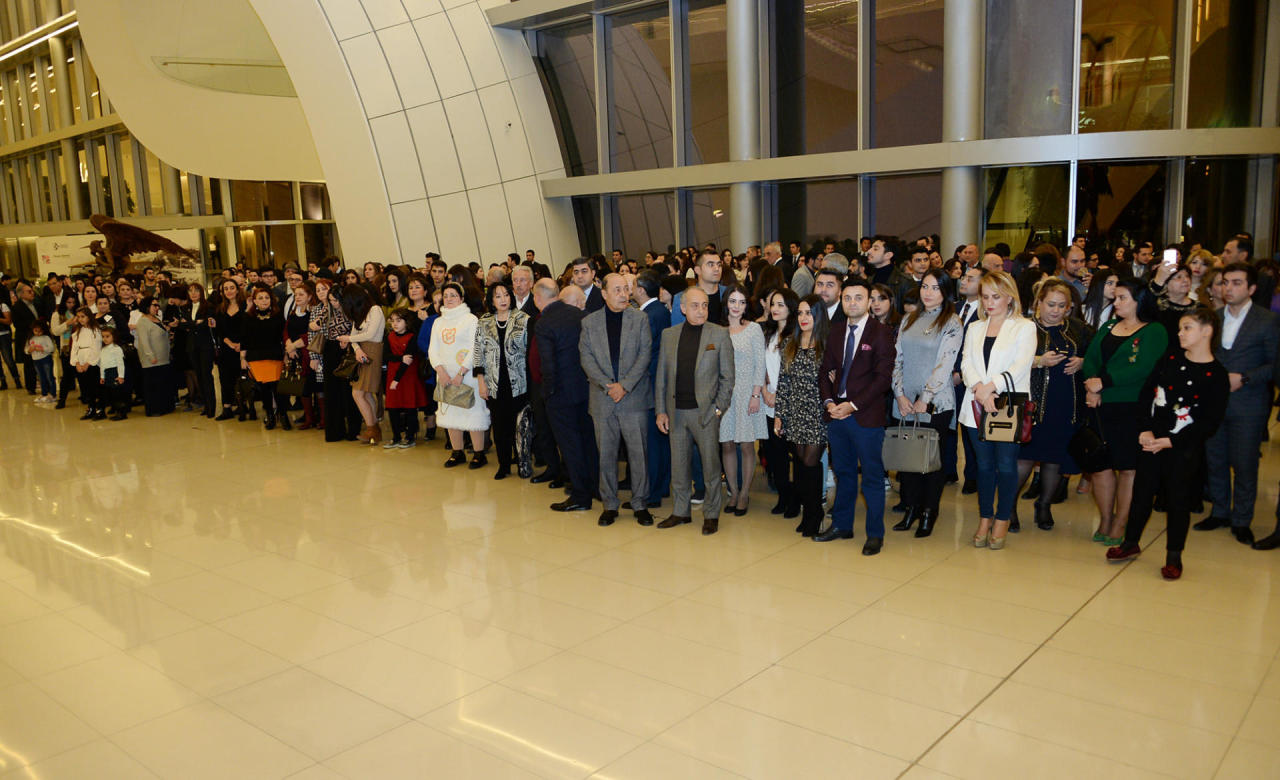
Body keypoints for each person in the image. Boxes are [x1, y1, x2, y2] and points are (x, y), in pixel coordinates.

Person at [1105, 309, 1229, 578]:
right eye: (1181, 328)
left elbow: (1209, 422)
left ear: (1206, 331)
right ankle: (1130, 542)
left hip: (1182, 448)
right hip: (1152, 441)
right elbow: (1147, 394)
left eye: (1187, 328)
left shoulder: (1217, 375)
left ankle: (1174, 555)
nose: (1180, 333)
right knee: (1142, 494)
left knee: (1178, 501)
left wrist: (1172, 441)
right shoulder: (1170, 358)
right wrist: (1145, 429)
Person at [1193, 262, 1279, 546]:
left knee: (1244, 463)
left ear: (1251, 288)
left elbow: (1274, 364)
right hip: (1215, 402)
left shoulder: (1266, 320)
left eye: (1237, 283)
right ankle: (1220, 511)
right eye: (1225, 282)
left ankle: (1242, 519)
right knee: (1215, 458)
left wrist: (1245, 377)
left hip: (1249, 402)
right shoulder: (1214, 317)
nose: (1228, 288)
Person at [1082, 278, 1168, 545]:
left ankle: (1121, 521)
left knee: (1128, 468)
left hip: (1131, 407)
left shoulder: (1154, 331)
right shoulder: (1108, 325)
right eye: (1115, 298)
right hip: (1099, 405)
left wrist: (1104, 383)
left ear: (1139, 301)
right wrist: (1092, 387)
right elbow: (1091, 359)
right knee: (1101, 466)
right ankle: (1106, 518)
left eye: (1122, 298)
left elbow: (1143, 367)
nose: (1115, 303)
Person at [816, 279, 897, 555]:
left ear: (869, 301)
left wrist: (852, 405)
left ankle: (875, 534)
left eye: (858, 298)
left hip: (865, 417)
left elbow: (882, 380)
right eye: (848, 298)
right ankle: (842, 525)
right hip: (836, 416)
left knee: (872, 477)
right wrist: (829, 402)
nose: (852, 303)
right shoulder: (836, 331)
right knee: (843, 474)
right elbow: (825, 370)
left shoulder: (881, 333)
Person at [959, 271, 1036, 550]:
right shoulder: (976, 327)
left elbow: (1020, 365)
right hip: (975, 407)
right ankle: (984, 517)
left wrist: (991, 388)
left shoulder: (1024, 327)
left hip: (1008, 406)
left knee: (1005, 466)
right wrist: (980, 388)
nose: (989, 303)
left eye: (996, 297)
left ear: (1009, 297)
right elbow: (966, 363)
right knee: (983, 467)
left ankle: (1003, 517)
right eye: (985, 297)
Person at [654, 287, 735, 535]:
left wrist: (718, 410)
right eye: (695, 305)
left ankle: (711, 514)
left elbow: (728, 378)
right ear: (683, 307)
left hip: (705, 413)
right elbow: (661, 378)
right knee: (679, 467)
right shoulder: (669, 335)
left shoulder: (719, 334)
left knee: (711, 468)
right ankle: (681, 511)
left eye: (704, 306)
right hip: (676, 412)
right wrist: (661, 411)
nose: (701, 310)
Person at [890, 270, 963, 538]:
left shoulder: (952, 321)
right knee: (908, 458)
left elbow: (945, 364)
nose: (928, 292)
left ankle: (929, 512)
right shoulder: (909, 318)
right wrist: (899, 394)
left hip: (935, 403)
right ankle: (910, 508)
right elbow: (897, 358)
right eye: (925, 286)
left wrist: (925, 398)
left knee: (932, 460)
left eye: (935, 288)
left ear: (945, 292)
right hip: (905, 401)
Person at [1017, 279, 1093, 530]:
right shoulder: (1024, 328)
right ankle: (1008, 506)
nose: (1056, 310)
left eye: (1062, 306)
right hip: (1033, 405)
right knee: (1025, 458)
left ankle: (1045, 505)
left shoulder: (1079, 329)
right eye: (1051, 304)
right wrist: (1039, 360)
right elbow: (1007, 362)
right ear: (1039, 303)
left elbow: (1096, 355)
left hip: (1066, 404)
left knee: (1055, 459)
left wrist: (1082, 362)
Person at [579, 273, 653, 525]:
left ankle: (640, 502)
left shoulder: (640, 319)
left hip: (634, 399)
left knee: (638, 454)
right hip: (602, 398)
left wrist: (625, 386)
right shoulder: (590, 322)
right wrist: (608, 386)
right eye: (618, 290)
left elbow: (645, 354)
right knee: (606, 455)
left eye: (626, 289)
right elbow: (586, 358)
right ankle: (609, 504)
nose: (624, 294)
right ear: (605, 293)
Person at [535, 282, 598, 510]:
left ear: (538, 298)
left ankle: (580, 496)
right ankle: (594, 486)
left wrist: (547, 393)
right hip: (586, 388)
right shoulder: (581, 314)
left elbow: (548, 365)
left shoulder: (544, 324)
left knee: (570, 446)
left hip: (561, 394)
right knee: (589, 441)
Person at [773, 294, 829, 535]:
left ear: (819, 316)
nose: (804, 318)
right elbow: (783, 382)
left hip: (818, 412)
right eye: (801, 313)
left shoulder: (827, 344)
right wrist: (779, 415)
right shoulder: (790, 344)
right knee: (801, 464)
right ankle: (809, 511)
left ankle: (814, 513)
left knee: (810, 462)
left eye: (810, 313)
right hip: (795, 411)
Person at [473, 279, 531, 478]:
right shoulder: (484, 321)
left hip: (520, 382)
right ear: (491, 299)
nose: (503, 299)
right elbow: (478, 353)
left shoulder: (523, 319)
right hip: (494, 383)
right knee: (499, 427)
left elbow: (530, 352)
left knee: (521, 426)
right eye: (498, 296)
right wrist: (481, 382)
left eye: (506, 295)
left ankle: (523, 462)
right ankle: (504, 465)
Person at [718, 285, 767, 515]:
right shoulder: (718, 330)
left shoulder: (754, 328)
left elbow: (761, 364)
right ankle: (733, 491)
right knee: (727, 444)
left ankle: (745, 493)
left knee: (747, 445)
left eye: (742, 302)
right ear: (726, 302)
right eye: (733, 301)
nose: (737, 307)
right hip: (725, 395)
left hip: (748, 393)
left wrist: (756, 394)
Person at [431, 282, 490, 466]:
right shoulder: (438, 321)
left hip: (467, 375)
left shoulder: (471, 319)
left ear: (462, 298)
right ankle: (457, 452)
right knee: (451, 414)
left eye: (453, 295)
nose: (449, 299)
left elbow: (475, 348)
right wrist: (441, 371)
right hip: (445, 377)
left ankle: (479, 453)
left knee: (473, 413)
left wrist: (461, 373)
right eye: (446, 295)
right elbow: (433, 350)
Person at [761, 288, 799, 517]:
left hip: (789, 403)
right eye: (773, 304)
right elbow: (764, 366)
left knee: (793, 453)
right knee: (775, 455)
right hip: (768, 401)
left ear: (791, 308)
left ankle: (795, 498)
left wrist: (780, 396)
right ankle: (783, 496)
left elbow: (794, 373)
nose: (775, 309)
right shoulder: (769, 333)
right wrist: (765, 390)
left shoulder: (797, 335)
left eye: (781, 305)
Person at [314, 279, 360, 442]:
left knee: (348, 391)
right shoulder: (327, 310)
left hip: (348, 349)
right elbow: (314, 325)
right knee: (332, 391)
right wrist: (319, 320)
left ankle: (353, 430)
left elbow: (358, 329)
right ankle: (335, 430)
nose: (333, 303)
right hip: (331, 349)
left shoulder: (351, 311)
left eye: (336, 300)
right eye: (331, 300)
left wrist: (348, 338)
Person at [339, 284, 386, 444]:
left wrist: (349, 340)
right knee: (363, 393)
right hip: (361, 352)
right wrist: (357, 349)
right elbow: (354, 335)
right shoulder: (359, 314)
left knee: (358, 393)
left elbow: (371, 334)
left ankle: (372, 427)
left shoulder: (375, 310)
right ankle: (373, 429)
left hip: (373, 351)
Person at [239, 285, 289, 430]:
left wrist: (286, 354)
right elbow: (244, 339)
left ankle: (283, 414)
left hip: (275, 356)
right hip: (256, 358)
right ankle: (270, 415)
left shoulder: (278, 315)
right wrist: (243, 358)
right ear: (254, 301)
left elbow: (283, 337)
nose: (264, 300)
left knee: (278, 388)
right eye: (260, 298)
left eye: (267, 297)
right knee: (265, 389)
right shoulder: (248, 317)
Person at [382, 309, 429, 448]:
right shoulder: (389, 336)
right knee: (392, 406)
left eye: (399, 320)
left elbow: (408, 361)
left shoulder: (412, 337)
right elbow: (386, 356)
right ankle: (396, 437)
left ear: (407, 322)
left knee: (410, 407)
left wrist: (396, 379)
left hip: (408, 375)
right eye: (392, 320)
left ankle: (410, 437)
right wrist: (399, 358)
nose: (395, 324)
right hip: (392, 374)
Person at [210, 279, 248, 421]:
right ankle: (227, 408)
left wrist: (240, 344)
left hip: (243, 348)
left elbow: (248, 328)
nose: (229, 291)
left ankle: (242, 405)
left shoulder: (246, 306)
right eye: (226, 289)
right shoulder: (220, 309)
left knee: (242, 378)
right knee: (225, 378)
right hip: (226, 348)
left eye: (232, 288)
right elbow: (219, 330)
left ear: (237, 290)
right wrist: (230, 343)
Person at [135, 297, 175, 416]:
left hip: (163, 358)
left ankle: (165, 407)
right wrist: (150, 356)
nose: (157, 307)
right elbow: (144, 341)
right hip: (152, 360)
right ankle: (155, 409)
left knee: (163, 384)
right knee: (153, 385)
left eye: (158, 305)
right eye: (154, 305)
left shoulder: (156, 319)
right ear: (147, 306)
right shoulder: (142, 322)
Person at [672, 250, 727, 325]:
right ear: (698, 270)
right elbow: (677, 332)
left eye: (719, 265)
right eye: (711, 265)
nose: (717, 269)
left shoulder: (730, 294)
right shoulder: (681, 298)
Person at [70, 307, 102, 419]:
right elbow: (74, 348)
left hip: (92, 363)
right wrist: (77, 363)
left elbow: (96, 349)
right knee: (86, 388)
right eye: (78, 317)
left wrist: (88, 364)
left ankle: (99, 409)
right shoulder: (77, 332)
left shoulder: (96, 331)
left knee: (95, 387)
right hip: (81, 360)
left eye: (83, 317)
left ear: (89, 317)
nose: (80, 319)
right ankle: (91, 408)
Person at [50, 295, 80, 408]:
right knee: (67, 375)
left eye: (73, 302)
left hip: (79, 347)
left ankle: (86, 396)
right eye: (68, 302)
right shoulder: (57, 314)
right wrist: (67, 323)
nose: (71, 305)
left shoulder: (78, 312)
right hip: (66, 348)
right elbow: (55, 331)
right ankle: (62, 399)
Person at [98, 326, 128, 420]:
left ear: (113, 337)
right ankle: (115, 409)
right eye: (103, 337)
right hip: (107, 373)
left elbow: (120, 364)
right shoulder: (103, 349)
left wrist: (121, 376)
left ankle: (122, 413)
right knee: (110, 393)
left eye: (107, 336)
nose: (105, 339)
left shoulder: (117, 349)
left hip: (115, 372)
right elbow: (102, 364)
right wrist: (102, 376)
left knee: (117, 394)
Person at [24, 319, 55, 402]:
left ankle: (52, 394)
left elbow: (51, 348)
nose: (37, 333)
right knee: (41, 378)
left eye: (40, 331)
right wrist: (29, 350)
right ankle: (44, 393)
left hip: (46, 359)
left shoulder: (46, 337)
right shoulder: (31, 338)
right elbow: (26, 349)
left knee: (49, 377)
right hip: (36, 361)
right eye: (35, 331)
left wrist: (42, 349)